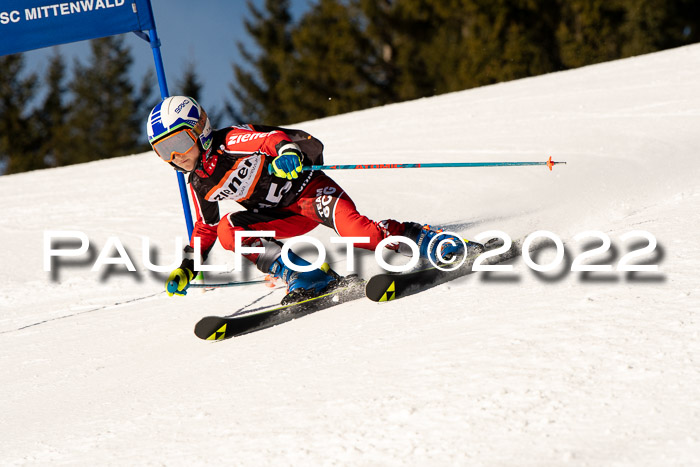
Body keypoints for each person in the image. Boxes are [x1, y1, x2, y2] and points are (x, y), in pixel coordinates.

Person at [147, 96, 480, 302]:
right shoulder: (200, 183)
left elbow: (270, 139)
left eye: (178, 142)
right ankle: (307, 275)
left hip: (309, 192)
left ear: (199, 130)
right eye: (164, 150)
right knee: (226, 229)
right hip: (283, 216)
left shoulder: (229, 142)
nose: (175, 156)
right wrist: (187, 267)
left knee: (364, 236)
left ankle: (419, 236)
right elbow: (205, 228)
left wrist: (287, 152)